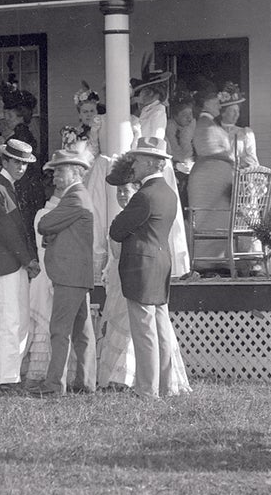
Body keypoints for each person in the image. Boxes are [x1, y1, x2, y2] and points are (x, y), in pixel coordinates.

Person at [108, 137, 182, 398]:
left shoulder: (144, 196)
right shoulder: (169, 194)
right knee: (160, 328)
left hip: (141, 266)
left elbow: (117, 230)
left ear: (152, 164)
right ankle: (166, 385)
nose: (134, 165)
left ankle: (147, 390)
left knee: (144, 330)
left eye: (138, 160)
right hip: (161, 263)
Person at [30, 145, 98, 395]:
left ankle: (54, 386)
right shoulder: (79, 196)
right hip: (76, 275)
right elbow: (52, 228)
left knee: (60, 331)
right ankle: (84, 382)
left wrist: (50, 231)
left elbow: (45, 223)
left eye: (60, 172)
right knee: (82, 334)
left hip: (69, 276)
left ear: (76, 172)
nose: (55, 177)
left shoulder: (75, 197)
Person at [0, 138, 39, 387]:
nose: (21, 167)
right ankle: (7, 377)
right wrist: (28, 259)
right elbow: (8, 232)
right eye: (17, 162)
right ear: (5, 160)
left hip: (15, 263)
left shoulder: (9, 187)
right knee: (10, 320)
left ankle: (7, 373)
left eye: (25, 163)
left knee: (20, 319)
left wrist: (27, 260)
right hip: (7, 263)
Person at [130, 61, 172, 142]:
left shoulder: (158, 112)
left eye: (144, 91)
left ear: (152, 93)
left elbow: (155, 140)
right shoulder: (145, 109)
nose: (141, 95)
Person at [60, 84, 105, 156]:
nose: (89, 114)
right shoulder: (72, 134)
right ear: (80, 115)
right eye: (85, 112)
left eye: (92, 111)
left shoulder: (102, 131)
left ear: (97, 113)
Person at [217, 87, 258, 165]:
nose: (236, 114)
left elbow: (253, 160)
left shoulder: (245, 133)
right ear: (223, 113)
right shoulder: (214, 133)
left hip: (241, 175)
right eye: (233, 111)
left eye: (238, 111)